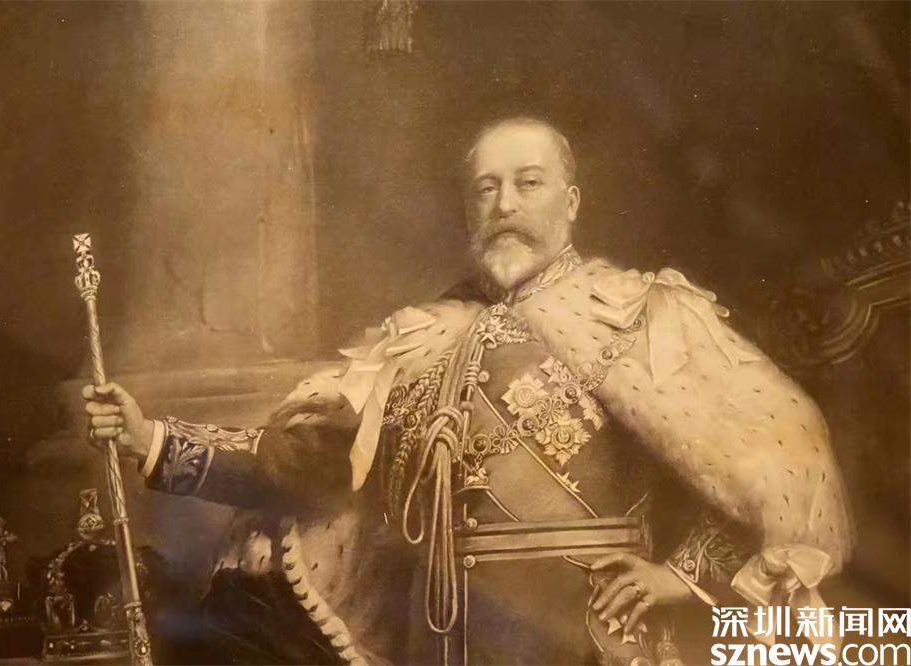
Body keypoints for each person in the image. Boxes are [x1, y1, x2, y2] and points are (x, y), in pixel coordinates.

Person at [84, 117, 853, 666]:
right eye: (486, 188)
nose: (505, 204)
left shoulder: (639, 313)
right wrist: (150, 437)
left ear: (571, 202)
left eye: (528, 183)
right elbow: (304, 461)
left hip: (585, 639)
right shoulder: (422, 334)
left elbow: (788, 456)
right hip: (439, 640)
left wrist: (683, 576)